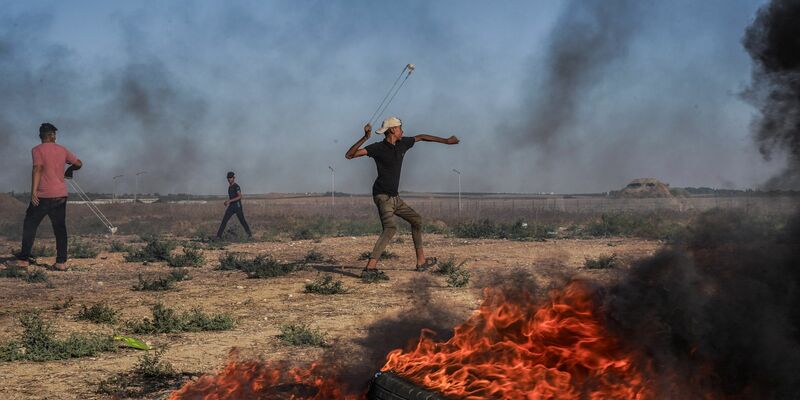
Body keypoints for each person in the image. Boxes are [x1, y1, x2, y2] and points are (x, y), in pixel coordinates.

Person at [345, 116, 459, 273]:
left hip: (395, 198)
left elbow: (421, 137)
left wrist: (446, 141)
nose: (402, 131)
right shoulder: (377, 148)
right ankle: (370, 268)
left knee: (416, 220)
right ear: (392, 130)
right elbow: (349, 155)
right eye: (400, 128)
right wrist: (365, 137)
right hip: (382, 196)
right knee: (390, 229)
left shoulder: (402, 143)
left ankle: (421, 262)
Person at [14, 123, 82, 271]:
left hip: (43, 196)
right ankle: (61, 262)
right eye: (54, 134)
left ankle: (24, 259)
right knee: (60, 229)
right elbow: (78, 163)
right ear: (52, 135)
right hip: (60, 196)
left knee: (30, 225)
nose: (55, 137)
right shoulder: (62, 149)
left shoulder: (37, 150)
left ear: (40, 136)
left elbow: (37, 168)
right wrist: (70, 170)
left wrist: (33, 191)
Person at [216, 171, 252, 239]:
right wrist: (228, 202)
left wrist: (229, 201)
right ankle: (218, 236)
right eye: (228, 178)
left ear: (234, 178)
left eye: (230, 178)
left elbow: (239, 196)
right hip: (231, 207)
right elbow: (232, 197)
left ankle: (249, 235)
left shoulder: (236, 186)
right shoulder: (229, 187)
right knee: (224, 221)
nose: (229, 179)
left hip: (238, 207)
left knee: (242, 221)